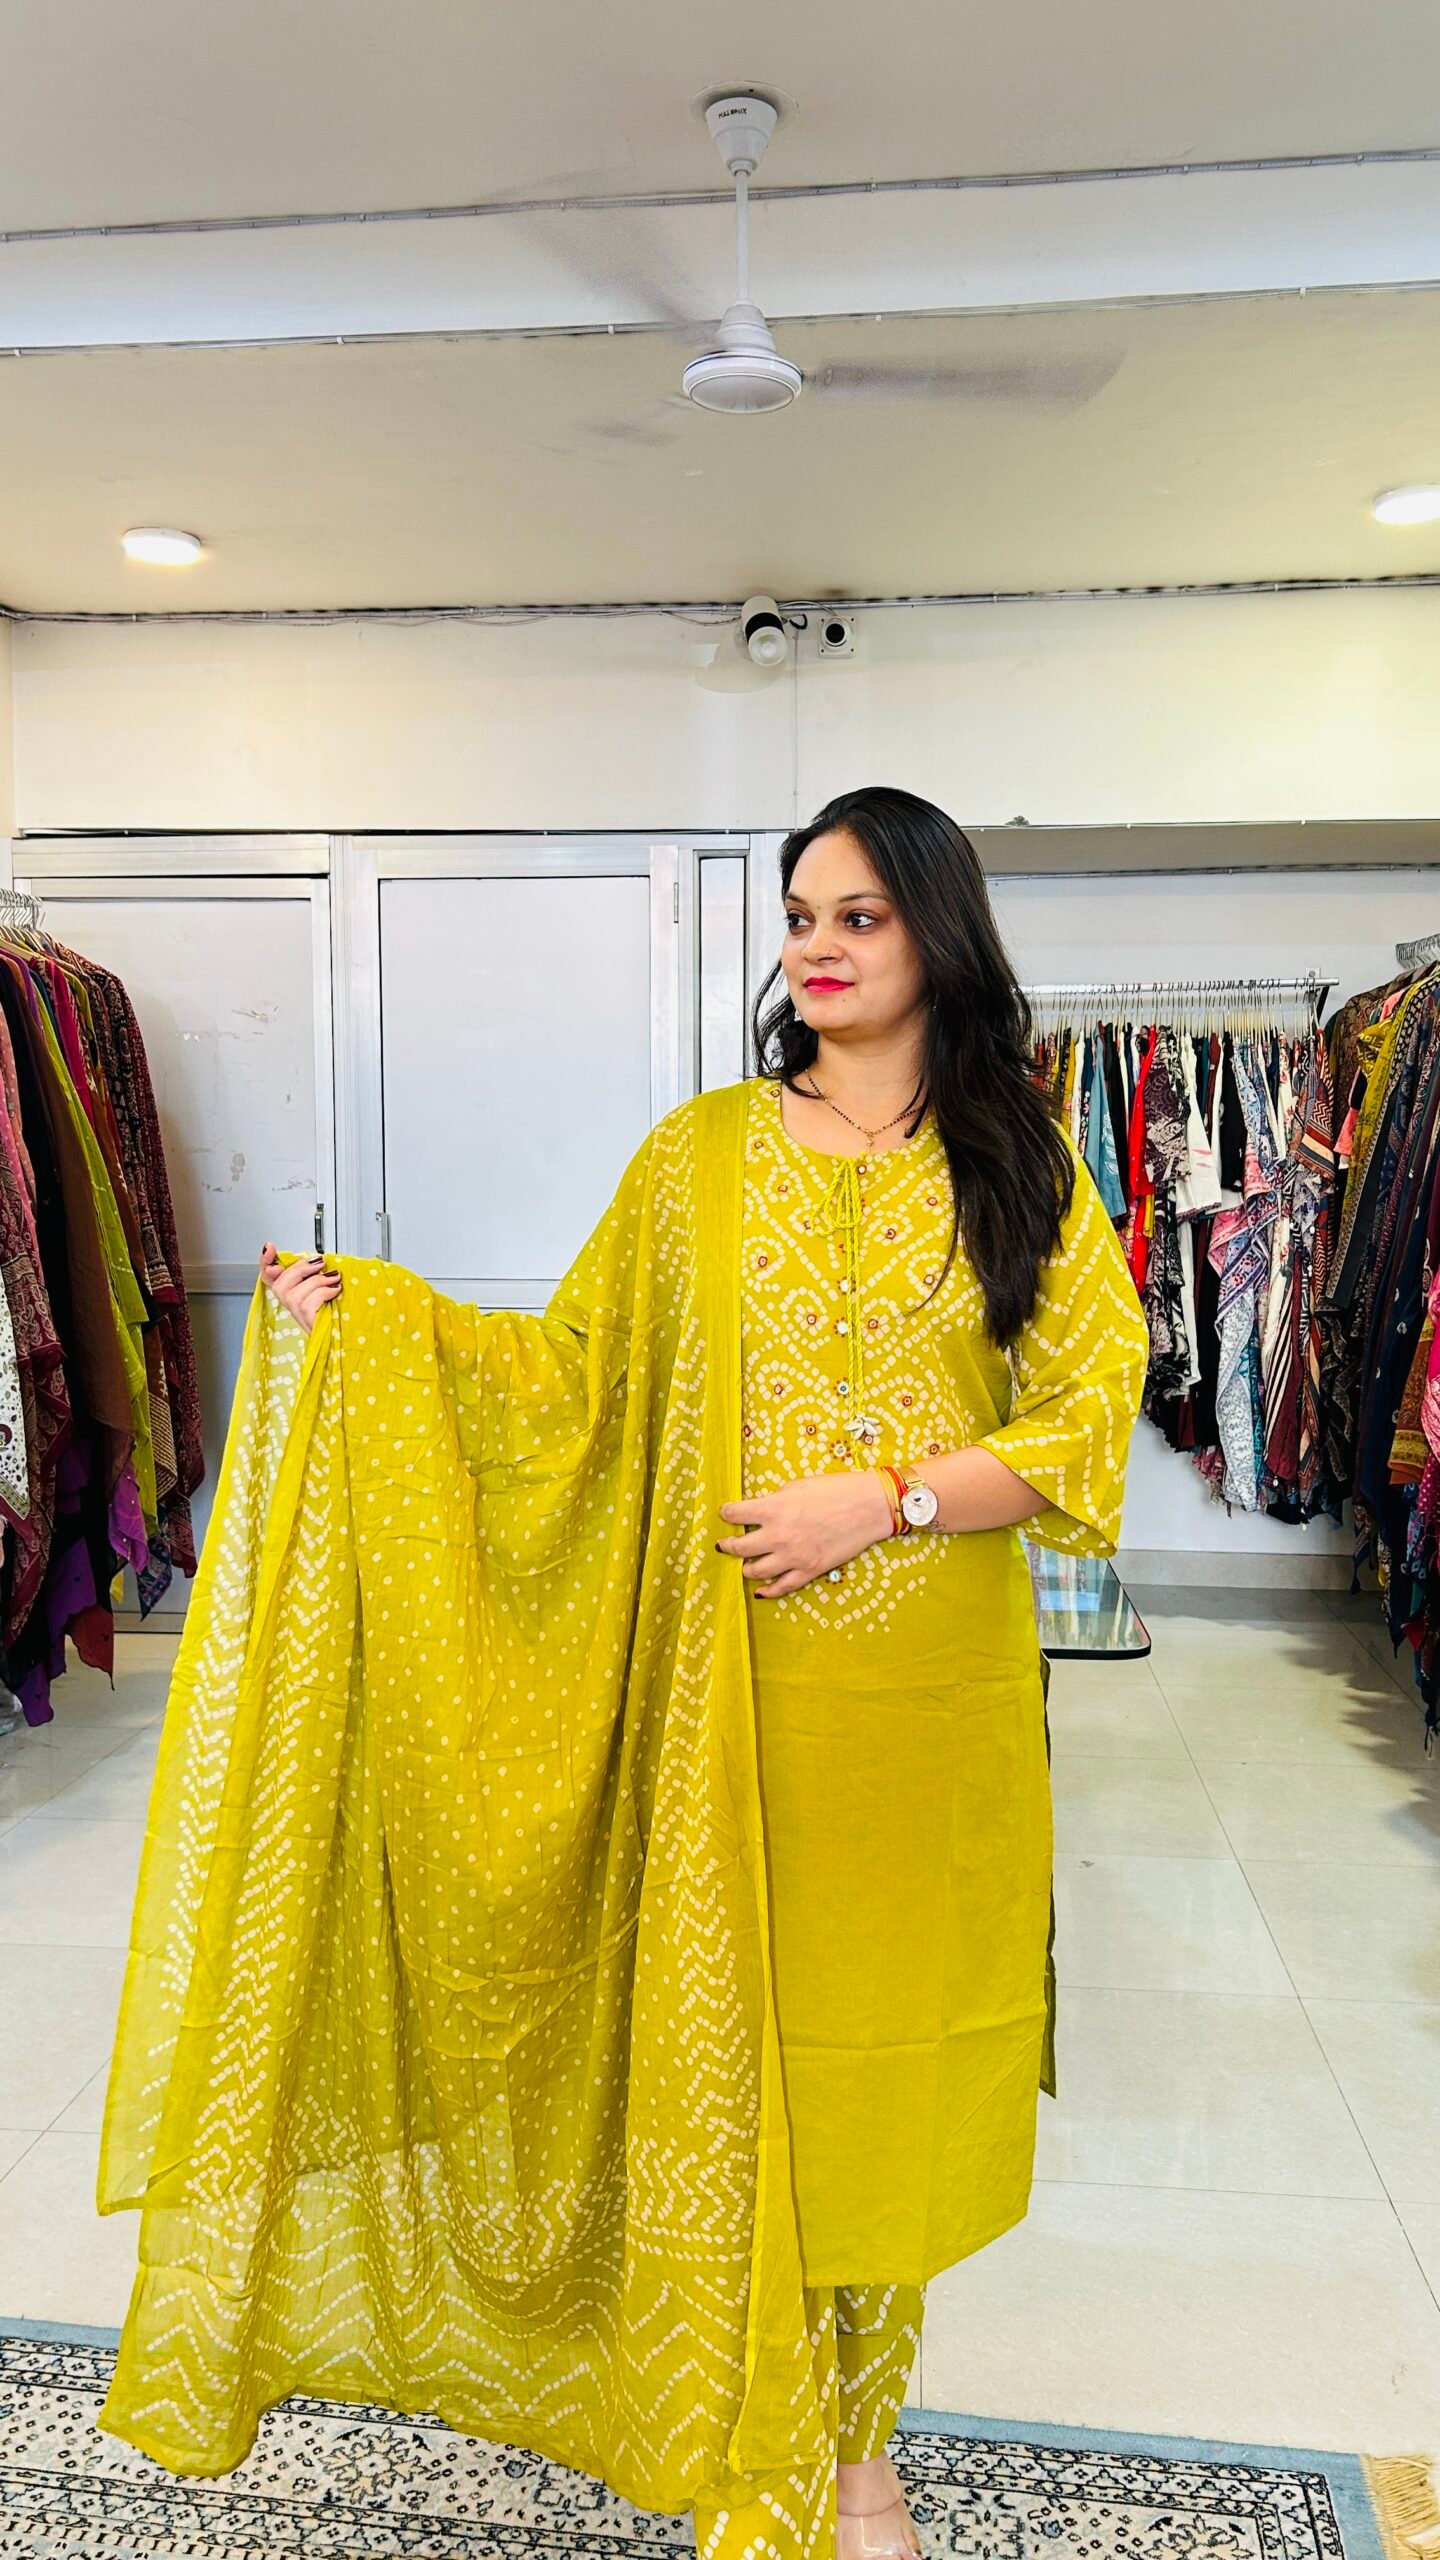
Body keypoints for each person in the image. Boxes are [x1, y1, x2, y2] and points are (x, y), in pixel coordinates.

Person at [99, 786, 1147, 2560]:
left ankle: (858, 2446)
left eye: (860, 917)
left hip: (927, 1724)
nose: (818, 948)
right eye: (801, 917)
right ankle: (759, 2427)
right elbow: (579, 1377)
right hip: (717, 1702)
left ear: (941, 933)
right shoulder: (701, 1157)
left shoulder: (1024, 1164)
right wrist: (388, 1325)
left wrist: (880, 1499)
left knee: (878, 2091)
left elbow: (1081, 1423)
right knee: (738, 2077)